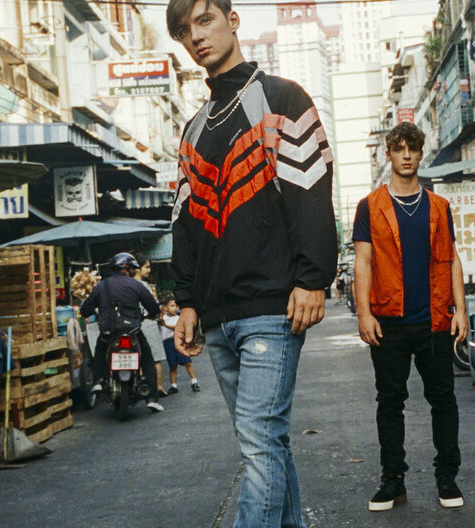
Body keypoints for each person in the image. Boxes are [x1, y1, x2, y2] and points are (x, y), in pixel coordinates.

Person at [166, 0, 338, 525]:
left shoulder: (282, 98)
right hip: (217, 318)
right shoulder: (193, 129)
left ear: (233, 20)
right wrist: (188, 301)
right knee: (266, 442)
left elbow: (312, 191)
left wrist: (313, 278)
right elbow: (185, 225)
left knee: (260, 441)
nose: (196, 37)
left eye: (205, 21)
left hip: (271, 309)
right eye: (184, 31)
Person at [352, 122, 468, 512]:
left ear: (420, 154)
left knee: (443, 400)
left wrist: (461, 310)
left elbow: (451, 259)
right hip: (388, 321)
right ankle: (393, 481)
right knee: (389, 402)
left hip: (434, 320)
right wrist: (364, 314)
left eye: (412, 148)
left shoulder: (439, 206)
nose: (406, 155)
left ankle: (447, 477)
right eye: (399, 148)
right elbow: (363, 262)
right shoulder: (369, 206)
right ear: (388, 154)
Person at [80, 253, 164, 413]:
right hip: (133, 331)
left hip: (108, 333)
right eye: (131, 268)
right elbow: (153, 307)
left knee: (99, 350)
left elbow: (85, 310)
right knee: (147, 359)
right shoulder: (136, 285)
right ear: (127, 268)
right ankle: (152, 398)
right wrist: (152, 314)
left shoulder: (101, 286)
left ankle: (98, 380)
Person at [132, 254, 167, 396]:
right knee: (155, 358)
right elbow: (152, 306)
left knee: (139, 358)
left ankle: (142, 388)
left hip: (134, 324)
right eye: (146, 267)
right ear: (137, 269)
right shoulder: (143, 285)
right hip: (147, 322)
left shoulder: (127, 285)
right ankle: (159, 387)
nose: (149, 270)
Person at [158, 295, 200, 393]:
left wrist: (165, 325)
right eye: (172, 306)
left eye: (176, 306)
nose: (175, 308)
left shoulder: (179, 318)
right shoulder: (163, 319)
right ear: (166, 308)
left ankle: (194, 382)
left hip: (180, 341)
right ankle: (173, 385)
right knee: (172, 365)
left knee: (187, 363)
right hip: (168, 343)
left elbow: (178, 328)